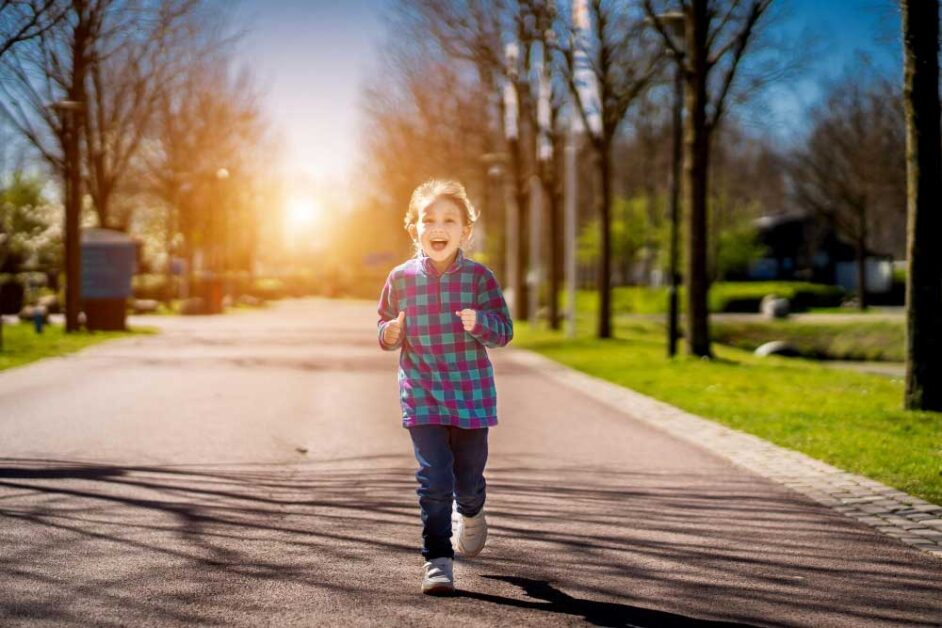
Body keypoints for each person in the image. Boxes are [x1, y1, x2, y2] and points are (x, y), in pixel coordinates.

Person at [376, 179, 513, 595]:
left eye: (449, 220)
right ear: (414, 228)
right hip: (422, 394)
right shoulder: (399, 279)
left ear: (465, 231)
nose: (438, 227)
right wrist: (392, 333)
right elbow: (382, 324)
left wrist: (480, 323)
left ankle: (470, 511)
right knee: (434, 477)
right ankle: (437, 559)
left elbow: (504, 332)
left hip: (471, 395)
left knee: (466, 480)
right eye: (428, 219)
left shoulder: (479, 278)